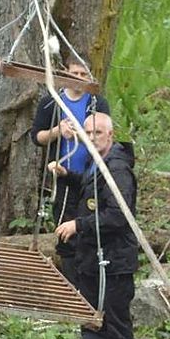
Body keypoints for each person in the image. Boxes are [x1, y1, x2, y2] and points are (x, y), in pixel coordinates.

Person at [55, 112, 138, 339]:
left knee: (115, 321)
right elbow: (93, 193)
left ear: (110, 135)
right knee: (91, 319)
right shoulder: (95, 162)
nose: (90, 139)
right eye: (86, 134)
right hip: (91, 257)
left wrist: (79, 224)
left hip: (114, 259)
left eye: (97, 134)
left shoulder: (117, 168)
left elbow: (118, 214)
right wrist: (69, 177)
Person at [29, 55, 110, 285]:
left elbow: (104, 137)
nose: (79, 79)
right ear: (65, 73)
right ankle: (72, 285)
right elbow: (37, 137)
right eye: (75, 73)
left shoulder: (97, 103)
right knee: (65, 233)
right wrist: (58, 131)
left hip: (90, 177)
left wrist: (82, 135)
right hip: (62, 178)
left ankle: (90, 283)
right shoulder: (51, 102)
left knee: (88, 229)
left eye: (84, 75)